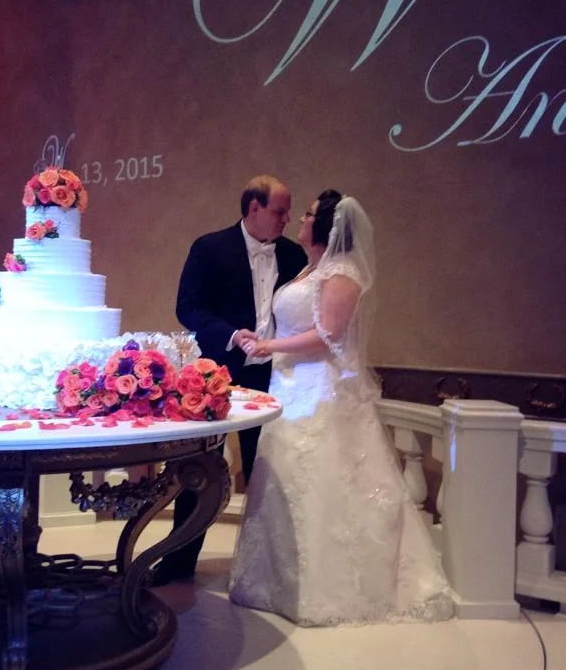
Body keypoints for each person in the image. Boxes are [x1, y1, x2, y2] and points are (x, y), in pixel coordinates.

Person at [229, 190, 453, 626]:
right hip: (288, 389)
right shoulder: (310, 269)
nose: (298, 219)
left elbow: (328, 335)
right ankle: (275, 581)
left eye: (308, 214)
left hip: (320, 392)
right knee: (287, 481)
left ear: (328, 226)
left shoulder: (344, 272)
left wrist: (270, 345)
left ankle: (324, 591)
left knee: (322, 484)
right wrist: (256, 339)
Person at [151, 175, 307, 586]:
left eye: (290, 212)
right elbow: (187, 308)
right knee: (199, 469)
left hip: (276, 378)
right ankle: (179, 561)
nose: (287, 219)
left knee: (268, 472)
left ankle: (266, 569)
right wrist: (232, 335)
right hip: (216, 377)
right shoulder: (209, 247)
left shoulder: (293, 255)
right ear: (253, 208)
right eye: (279, 211)